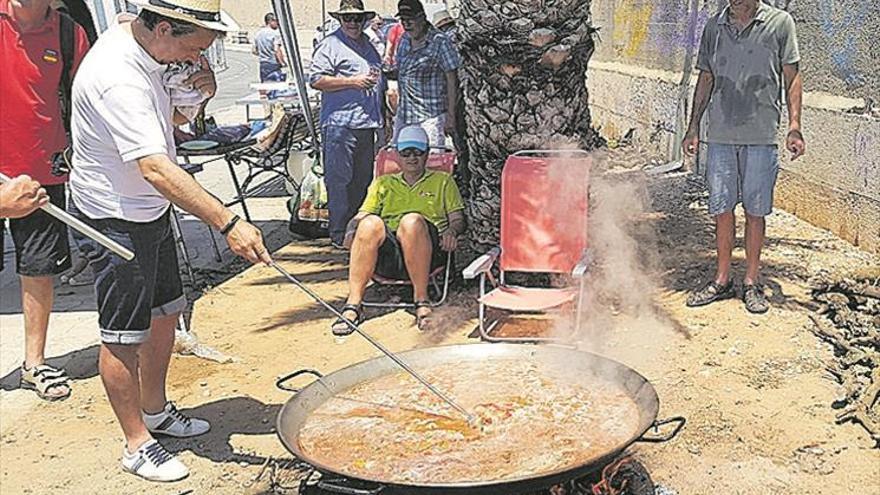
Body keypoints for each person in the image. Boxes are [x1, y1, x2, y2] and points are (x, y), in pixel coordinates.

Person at [68, 0, 271, 482]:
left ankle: (155, 409)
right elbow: (155, 166)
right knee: (122, 334)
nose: (192, 60)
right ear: (163, 28)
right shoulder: (119, 77)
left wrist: (199, 93)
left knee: (167, 311)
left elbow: (172, 123)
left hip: (148, 209)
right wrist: (228, 222)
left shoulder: (142, 41)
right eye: (191, 50)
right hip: (114, 214)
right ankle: (137, 443)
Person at [683, 0, 804, 314]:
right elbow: (706, 77)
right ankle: (722, 279)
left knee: (755, 210)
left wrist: (794, 126)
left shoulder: (780, 23)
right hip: (720, 135)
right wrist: (693, 126)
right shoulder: (714, 26)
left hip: (761, 137)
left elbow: (791, 76)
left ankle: (751, 281)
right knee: (722, 208)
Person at [0, 0, 90, 401]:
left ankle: (33, 364)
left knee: (38, 268)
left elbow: (88, 99)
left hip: (43, 170)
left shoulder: (70, 33)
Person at [333, 126, 465, 336]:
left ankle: (421, 300)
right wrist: (350, 230)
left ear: (427, 154)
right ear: (397, 156)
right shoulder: (383, 183)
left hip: (429, 249)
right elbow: (361, 215)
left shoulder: (443, 181)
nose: (412, 157)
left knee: (411, 221)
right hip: (391, 254)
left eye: (418, 152)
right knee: (368, 223)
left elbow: (457, 219)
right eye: (406, 152)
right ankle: (353, 305)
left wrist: (452, 232)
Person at [309, 0, 384, 248]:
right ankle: (339, 233)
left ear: (363, 20)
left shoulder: (368, 45)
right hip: (340, 125)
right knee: (339, 180)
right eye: (347, 19)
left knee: (362, 180)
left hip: (366, 124)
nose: (352, 23)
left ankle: (358, 231)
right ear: (340, 20)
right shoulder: (330, 44)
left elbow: (378, 80)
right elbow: (316, 79)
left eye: (357, 19)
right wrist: (352, 82)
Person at [393, 0, 461, 147]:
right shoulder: (404, 39)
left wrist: (451, 116)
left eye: (410, 19)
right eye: (403, 20)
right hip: (404, 114)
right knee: (399, 161)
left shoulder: (440, 42)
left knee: (433, 162)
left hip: (431, 117)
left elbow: (452, 79)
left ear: (422, 18)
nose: (406, 24)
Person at [253, 12, 286, 82]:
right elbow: (277, 50)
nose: (278, 23)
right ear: (270, 21)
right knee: (277, 87)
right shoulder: (275, 34)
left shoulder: (258, 34)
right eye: (276, 20)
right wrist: (282, 63)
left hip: (263, 65)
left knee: (265, 86)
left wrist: (264, 53)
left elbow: (254, 51)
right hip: (273, 64)